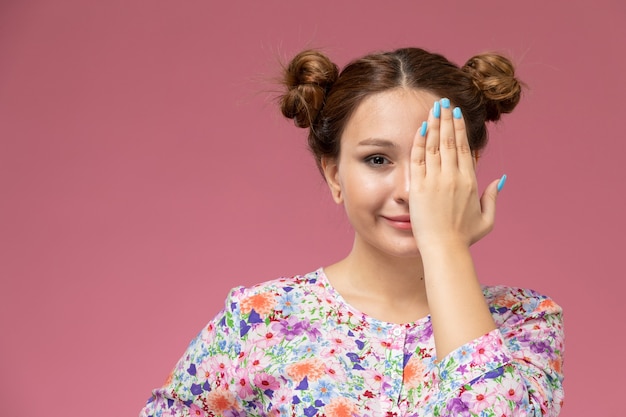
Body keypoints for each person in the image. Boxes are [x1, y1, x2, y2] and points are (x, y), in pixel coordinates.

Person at [139, 47, 564, 417]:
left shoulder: (525, 321)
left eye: (431, 159)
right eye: (378, 159)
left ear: (467, 168)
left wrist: (447, 248)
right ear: (334, 174)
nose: (409, 191)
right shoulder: (259, 318)